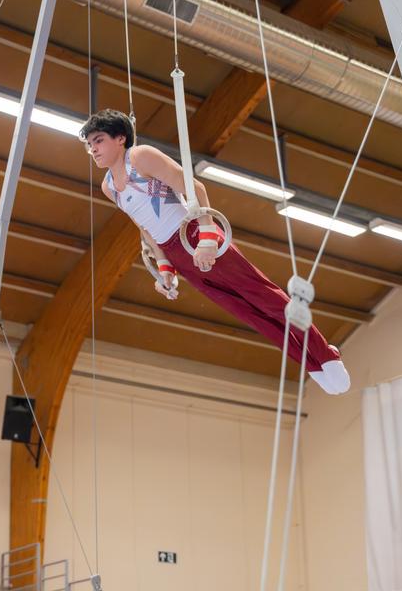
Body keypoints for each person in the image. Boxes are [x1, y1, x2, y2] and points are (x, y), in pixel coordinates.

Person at [80, 109, 350, 395]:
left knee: (265, 299)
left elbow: (195, 188)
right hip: (179, 255)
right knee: (249, 314)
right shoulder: (108, 187)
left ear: (120, 138)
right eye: (89, 144)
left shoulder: (140, 157)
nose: (93, 149)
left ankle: (326, 355)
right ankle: (313, 365)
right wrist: (164, 269)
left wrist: (207, 235)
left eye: (98, 140)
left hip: (194, 234)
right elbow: (144, 227)